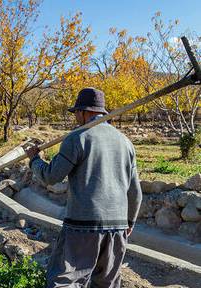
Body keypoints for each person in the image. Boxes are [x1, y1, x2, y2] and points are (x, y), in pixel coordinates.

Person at [24, 87, 142, 288]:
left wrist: (34, 159)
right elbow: (135, 192)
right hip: (118, 227)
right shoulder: (125, 142)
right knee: (107, 283)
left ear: (83, 112)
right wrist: (130, 221)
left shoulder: (77, 137)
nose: (76, 118)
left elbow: (50, 176)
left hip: (83, 225)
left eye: (76, 113)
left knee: (65, 280)